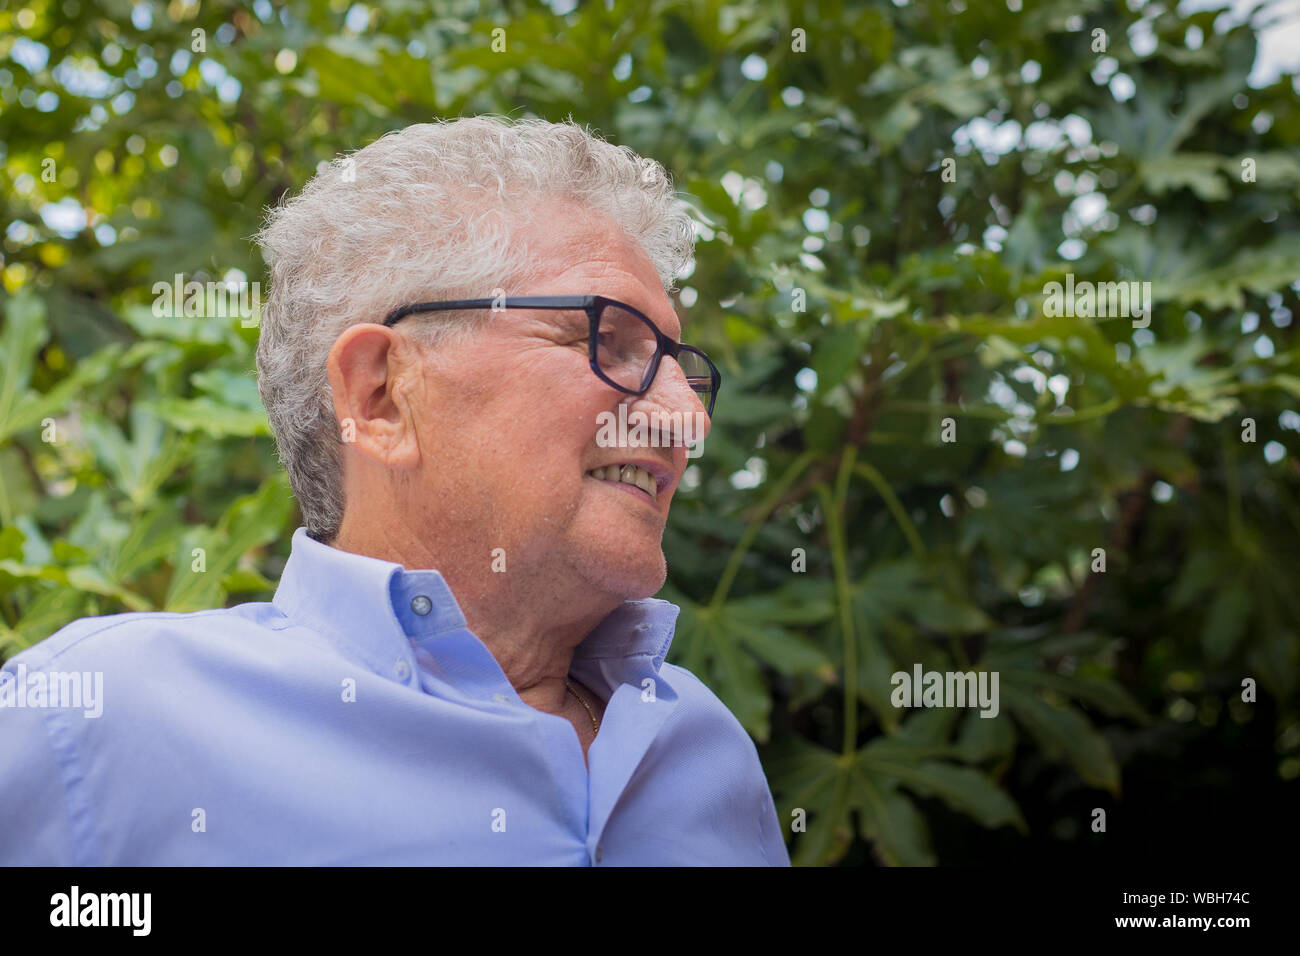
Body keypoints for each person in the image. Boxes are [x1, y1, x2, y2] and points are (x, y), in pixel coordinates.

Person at [0, 115, 790, 865]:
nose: (687, 419)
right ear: (381, 397)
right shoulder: (94, 721)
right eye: (607, 340)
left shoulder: (705, 747)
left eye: (685, 373)